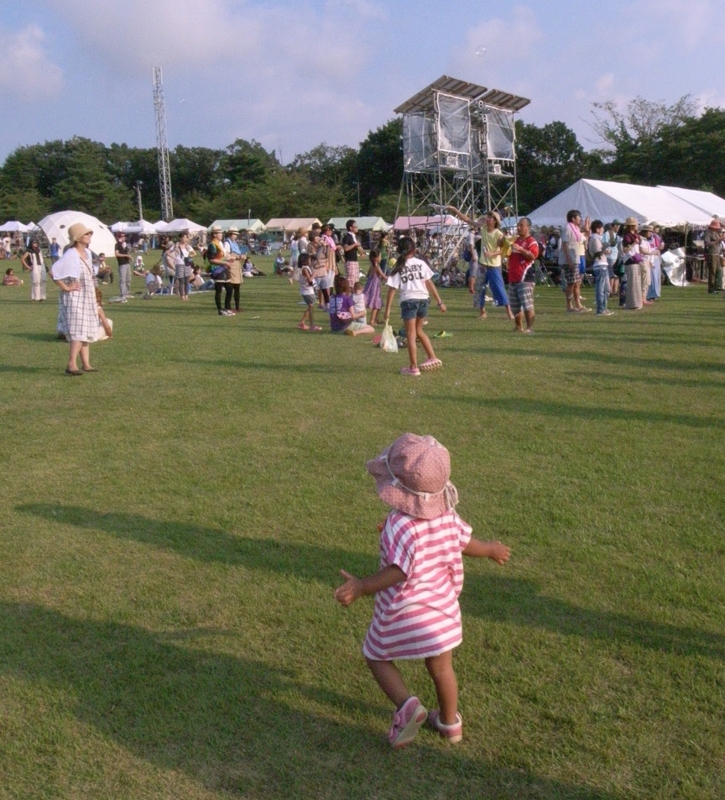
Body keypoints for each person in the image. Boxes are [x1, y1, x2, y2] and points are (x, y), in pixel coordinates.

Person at [334, 433, 511, 749]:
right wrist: (490, 549)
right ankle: (449, 723)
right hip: (442, 611)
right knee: (441, 667)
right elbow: (465, 542)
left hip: (406, 611)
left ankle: (406, 706)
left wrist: (361, 586)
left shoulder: (399, 525)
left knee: (375, 655)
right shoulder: (446, 515)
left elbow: (399, 570)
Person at [383, 236, 447, 376]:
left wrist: (387, 310)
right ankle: (432, 357)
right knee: (419, 331)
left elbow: (392, 289)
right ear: (414, 249)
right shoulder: (421, 263)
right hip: (423, 299)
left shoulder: (398, 266)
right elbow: (429, 283)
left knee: (411, 334)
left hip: (409, 301)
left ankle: (413, 367)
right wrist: (439, 301)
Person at [50, 222, 100, 375]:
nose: (89, 236)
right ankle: (71, 364)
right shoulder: (71, 254)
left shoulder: (88, 253)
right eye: (86, 234)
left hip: (87, 295)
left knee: (86, 328)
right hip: (76, 297)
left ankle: (86, 363)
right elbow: (53, 271)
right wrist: (66, 287)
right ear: (77, 238)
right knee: (79, 330)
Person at [507, 217, 539, 333]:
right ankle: (518, 326)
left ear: (528, 227)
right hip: (513, 277)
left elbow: (533, 256)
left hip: (525, 278)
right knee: (515, 305)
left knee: (527, 304)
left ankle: (529, 328)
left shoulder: (531, 241)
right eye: (518, 225)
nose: (518, 228)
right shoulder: (515, 240)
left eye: (521, 225)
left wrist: (520, 249)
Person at [560, 210, 590, 312]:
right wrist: (569, 260)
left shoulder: (576, 229)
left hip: (576, 258)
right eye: (579, 217)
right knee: (571, 283)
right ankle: (569, 306)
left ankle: (578, 305)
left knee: (577, 282)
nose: (580, 219)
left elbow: (585, 238)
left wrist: (587, 228)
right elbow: (565, 244)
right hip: (569, 260)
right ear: (573, 218)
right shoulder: (567, 228)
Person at [207, 225, 234, 316]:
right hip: (217, 270)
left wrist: (230, 258)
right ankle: (220, 310)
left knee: (229, 289)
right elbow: (211, 259)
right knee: (219, 290)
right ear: (214, 234)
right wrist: (225, 263)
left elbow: (223, 256)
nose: (221, 234)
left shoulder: (221, 243)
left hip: (224, 269)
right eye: (219, 233)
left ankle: (226, 308)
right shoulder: (212, 245)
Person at [589, 220, 614, 316]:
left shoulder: (599, 238)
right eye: (602, 228)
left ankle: (604, 307)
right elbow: (598, 253)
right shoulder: (595, 239)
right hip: (599, 264)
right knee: (601, 288)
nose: (603, 230)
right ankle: (600, 309)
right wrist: (605, 248)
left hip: (603, 264)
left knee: (606, 288)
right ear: (597, 229)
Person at [621, 217, 643, 310]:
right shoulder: (627, 236)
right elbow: (625, 250)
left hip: (636, 260)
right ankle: (632, 303)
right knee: (632, 283)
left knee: (637, 283)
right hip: (630, 260)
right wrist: (634, 243)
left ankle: (637, 302)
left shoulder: (636, 235)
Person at [296, 253, 322, 332]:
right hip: (308, 292)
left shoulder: (305, 268)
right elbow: (309, 280)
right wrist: (314, 274)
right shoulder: (305, 269)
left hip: (306, 291)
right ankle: (312, 326)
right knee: (311, 308)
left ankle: (302, 322)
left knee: (310, 307)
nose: (310, 260)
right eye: (309, 259)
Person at [363, 249, 385, 325]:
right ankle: (372, 320)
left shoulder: (371, 266)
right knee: (376, 304)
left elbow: (367, 275)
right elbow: (384, 276)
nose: (381, 258)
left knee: (380, 304)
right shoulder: (377, 267)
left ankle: (376, 318)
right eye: (380, 256)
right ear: (376, 258)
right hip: (375, 288)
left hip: (370, 286)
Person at [342, 219, 365, 287]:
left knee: (356, 279)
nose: (357, 228)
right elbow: (346, 248)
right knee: (350, 280)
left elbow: (358, 247)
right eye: (355, 226)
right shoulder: (347, 237)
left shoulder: (354, 236)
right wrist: (355, 244)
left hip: (355, 260)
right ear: (350, 228)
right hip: (350, 260)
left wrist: (361, 251)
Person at [173, 232, 195, 301]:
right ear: (180, 238)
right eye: (184, 237)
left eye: (186, 237)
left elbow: (194, 253)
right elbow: (168, 252)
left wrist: (189, 256)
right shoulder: (176, 245)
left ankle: (186, 295)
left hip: (187, 264)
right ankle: (182, 296)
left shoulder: (187, 246)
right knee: (181, 280)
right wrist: (174, 258)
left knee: (187, 280)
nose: (185, 239)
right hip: (179, 264)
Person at [703, 218, 723, 294]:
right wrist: (718, 240)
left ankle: (718, 286)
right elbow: (707, 244)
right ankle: (711, 289)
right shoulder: (708, 233)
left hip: (717, 254)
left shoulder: (716, 233)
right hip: (712, 254)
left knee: (719, 271)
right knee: (712, 272)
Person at [115, 232, 132, 301]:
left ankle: (127, 292)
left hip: (127, 263)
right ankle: (123, 294)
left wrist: (129, 257)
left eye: (124, 236)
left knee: (128, 279)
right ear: (119, 237)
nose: (123, 237)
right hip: (122, 264)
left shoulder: (125, 245)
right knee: (123, 279)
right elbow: (117, 254)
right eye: (122, 236)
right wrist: (126, 255)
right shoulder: (117, 245)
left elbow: (127, 253)